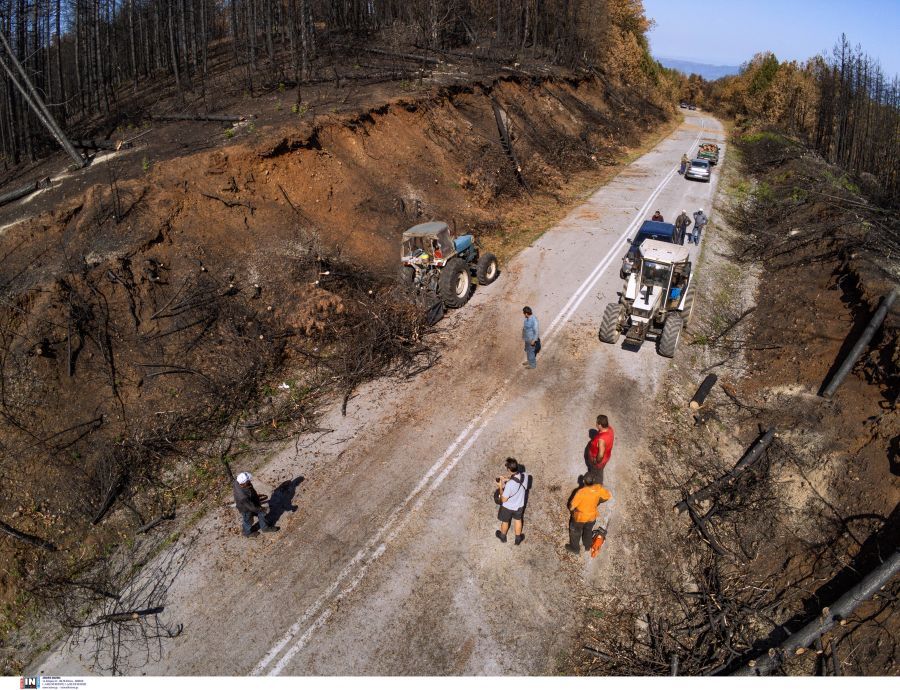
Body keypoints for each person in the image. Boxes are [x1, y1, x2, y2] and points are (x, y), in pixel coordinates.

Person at [566, 472, 611, 554]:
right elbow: (607, 496)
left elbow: (572, 506)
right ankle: (587, 545)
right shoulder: (598, 488)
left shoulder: (581, 492)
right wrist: (598, 502)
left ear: (584, 481)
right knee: (588, 530)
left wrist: (572, 510)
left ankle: (575, 548)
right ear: (594, 481)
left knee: (575, 532)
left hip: (580, 517)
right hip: (592, 516)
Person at [495, 458, 530, 545]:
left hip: (508, 507)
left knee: (505, 521)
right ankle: (518, 539)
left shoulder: (510, 485)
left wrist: (500, 486)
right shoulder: (525, 475)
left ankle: (502, 536)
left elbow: (503, 499)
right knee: (518, 520)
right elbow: (517, 480)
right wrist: (506, 479)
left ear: (508, 469)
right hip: (519, 505)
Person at [233, 472, 279, 537]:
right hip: (246, 509)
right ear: (244, 483)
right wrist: (261, 509)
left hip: (251, 502)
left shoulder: (237, 481)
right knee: (249, 521)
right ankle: (247, 532)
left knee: (262, 514)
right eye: (248, 481)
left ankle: (265, 527)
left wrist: (255, 497)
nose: (250, 481)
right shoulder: (243, 496)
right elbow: (252, 507)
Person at [587, 415, 615, 483]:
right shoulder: (610, 429)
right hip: (607, 456)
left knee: (596, 472)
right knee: (600, 471)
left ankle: (597, 485)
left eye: (597, 423)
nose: (596, 424)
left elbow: (601, 454)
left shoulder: (601, 440)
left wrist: (596, 461)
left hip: (598, 461)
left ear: (600, 425)